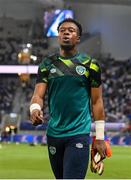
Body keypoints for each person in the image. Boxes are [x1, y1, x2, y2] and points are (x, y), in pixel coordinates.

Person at [30, 18, 107, 179]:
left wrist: (100, 137)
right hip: (54, 134)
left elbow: (97, 101)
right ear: (58, 36)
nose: (66, 32)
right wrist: (35, 109)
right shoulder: (47, 64)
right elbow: (38, 95)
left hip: (78, 132)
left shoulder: (90, 65)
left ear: (78, 38)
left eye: (71, 30)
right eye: (62, 30)